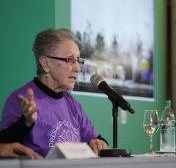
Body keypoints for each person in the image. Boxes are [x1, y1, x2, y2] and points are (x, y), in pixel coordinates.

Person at [0, 28, 109, 157]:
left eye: (78, 60)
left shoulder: (73, 104)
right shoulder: (22, 99)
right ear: (45, 64)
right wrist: (25, 122)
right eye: (70, 60)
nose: (77, 68)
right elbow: (4, 146)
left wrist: (98, 143)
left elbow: (95, 139)